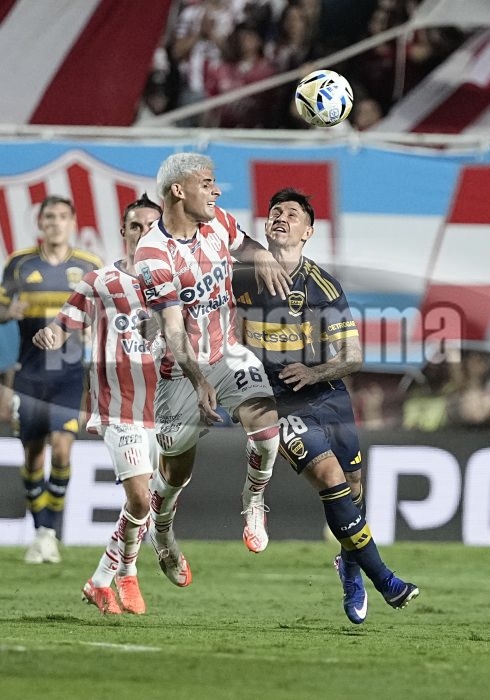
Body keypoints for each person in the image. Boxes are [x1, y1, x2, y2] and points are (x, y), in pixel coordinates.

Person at [233, 187, 419, 624]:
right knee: (331, 477)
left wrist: (314, 372)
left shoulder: (321, 286)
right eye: (275, 212)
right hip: (279, 403)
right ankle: (385, 580)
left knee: (353, 487)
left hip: (326, 394)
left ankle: (349, 565)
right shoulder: (240, 278)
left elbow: (352, 357)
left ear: (308, 232)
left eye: (292, 214)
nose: (281, 217)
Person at [134, 152, 291, 587]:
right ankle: (161, 530)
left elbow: (246, 244)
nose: (216, 190)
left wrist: (261, 256)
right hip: (181, 373)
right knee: (176, 474)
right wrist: (199, 380)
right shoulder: (152, 253)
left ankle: (253, 499)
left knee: (268, 431)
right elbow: (171, 329)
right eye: (206, 183)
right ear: (178, 190)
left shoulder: (217, 220)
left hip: (229, 352)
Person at [33, 194, 163, 615]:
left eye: (152, 227)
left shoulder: (175, 284)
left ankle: (100, 580)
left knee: (150, 503)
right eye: (136, 226)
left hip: (164, 408)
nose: (143, 233)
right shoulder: (100, 280)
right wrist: (52, 335)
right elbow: (64, 324)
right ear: (123, 231)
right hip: (118, 404)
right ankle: (128, 573)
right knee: (139, 499)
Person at [0, 196, 103, 564]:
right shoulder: (19, 264)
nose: (55, 223)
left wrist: (92, 328)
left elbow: (103, 312)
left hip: (69, 373)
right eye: (49, 217)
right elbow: (1, 306)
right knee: (33, 456)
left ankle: (48, 531)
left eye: (62, 217)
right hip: (30, 374)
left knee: (62, 448)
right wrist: (8, 311)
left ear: (72, 223)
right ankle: (42, 531)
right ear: (40, 223)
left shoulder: (89, 266)